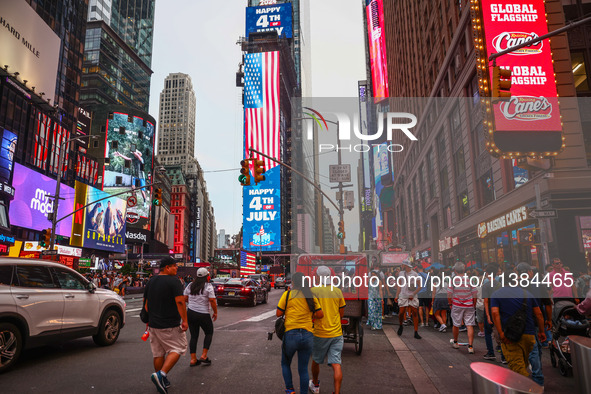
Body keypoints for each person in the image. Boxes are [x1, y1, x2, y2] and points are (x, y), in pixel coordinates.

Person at [144, 257, 188, 394]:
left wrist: (148, 320)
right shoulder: (174, 281)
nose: (176, 269)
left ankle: (161, 379)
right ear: (167, 268)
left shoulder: (151, 281)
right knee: (179, 347)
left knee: (158, 353)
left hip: (153, 324)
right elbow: (180, 302)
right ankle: (161, 374)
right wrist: (185, 320)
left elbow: (146, 304)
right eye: (174, 266)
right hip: (169, 323)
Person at [277, 272, 323, 394]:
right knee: (303, 369)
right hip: (308, 335)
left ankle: (290, 389)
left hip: (291, 334)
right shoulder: (310, 295)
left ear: (293, 283)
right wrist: (309, 314)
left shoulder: (287, 295)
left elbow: (278, 313)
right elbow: (320, 314)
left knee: (285, 363)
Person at [490, 282, 546, 379]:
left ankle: (526, 389)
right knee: (524, 363)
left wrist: (501, 333)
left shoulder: (497, 294)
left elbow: (495, 313)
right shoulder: (527, 294)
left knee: (518, 369)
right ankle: (536, 383)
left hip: (510, 335)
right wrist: (541, 331)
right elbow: (539, 314)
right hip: (529, 335)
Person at [309, 266, 346, 394]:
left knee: (316, 360)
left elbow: (311, 312)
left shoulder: (313, 291)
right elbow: (341, 312)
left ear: (318, 277)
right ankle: (336, 392)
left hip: (320, 333)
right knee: (336, 364)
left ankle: (315, 384)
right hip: (336, 333)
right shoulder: (337, 291)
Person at [515, 263, 552, 387]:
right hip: (535, 321)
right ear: (529, 272)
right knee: (535, 349)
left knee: (533, 349)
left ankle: (532, 374)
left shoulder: (514, 286)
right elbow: (547, 304)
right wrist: (549, 320)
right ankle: (538, 379)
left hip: (520, 323)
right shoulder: (539, 286)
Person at [184, 268, 217, 367]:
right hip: (203, 313)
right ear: (207, 276)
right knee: (209, 332)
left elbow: (185, 298)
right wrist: (215, 312)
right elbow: (212, 301)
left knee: (194, 336)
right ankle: (204, 355)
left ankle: (193, 359)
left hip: (191, 312)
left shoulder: (190, 285)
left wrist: (193, 303)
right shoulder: (208, 286)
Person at [448, 262, 477, 354]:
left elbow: (449, 294)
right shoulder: (469, 279)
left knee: (456, 324)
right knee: (469, 325)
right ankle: (471, 346)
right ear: (464, 270)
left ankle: (456, 342)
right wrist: (474, 304)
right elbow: (475, 293)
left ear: (455, 270)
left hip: (456, 305)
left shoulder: (453, 280)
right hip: (469, 305)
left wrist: (450, 304)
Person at [395, 260, 422, 339]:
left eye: (402, 265)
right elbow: (399, 286)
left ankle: (416, 331)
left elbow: (420, 286)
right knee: (401, 312)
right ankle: (400, 325)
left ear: (406, 265)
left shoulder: (415, 274)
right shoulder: (401, 273)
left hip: (412, 295)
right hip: (403, 295)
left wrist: (413, 294)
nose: (401, 266)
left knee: (414, 313)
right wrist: (396, 296)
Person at [367, 262, 383, 330]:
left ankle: (376, 325)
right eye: (372, 275)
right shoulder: (368, 281)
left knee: (377, 312)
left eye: (374, 275)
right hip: (370, 297)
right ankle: (372, 323)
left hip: (377, 297)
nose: (373, 276)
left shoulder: (379, 281)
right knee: (371, 310)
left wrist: (382, 299)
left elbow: (380, 290)